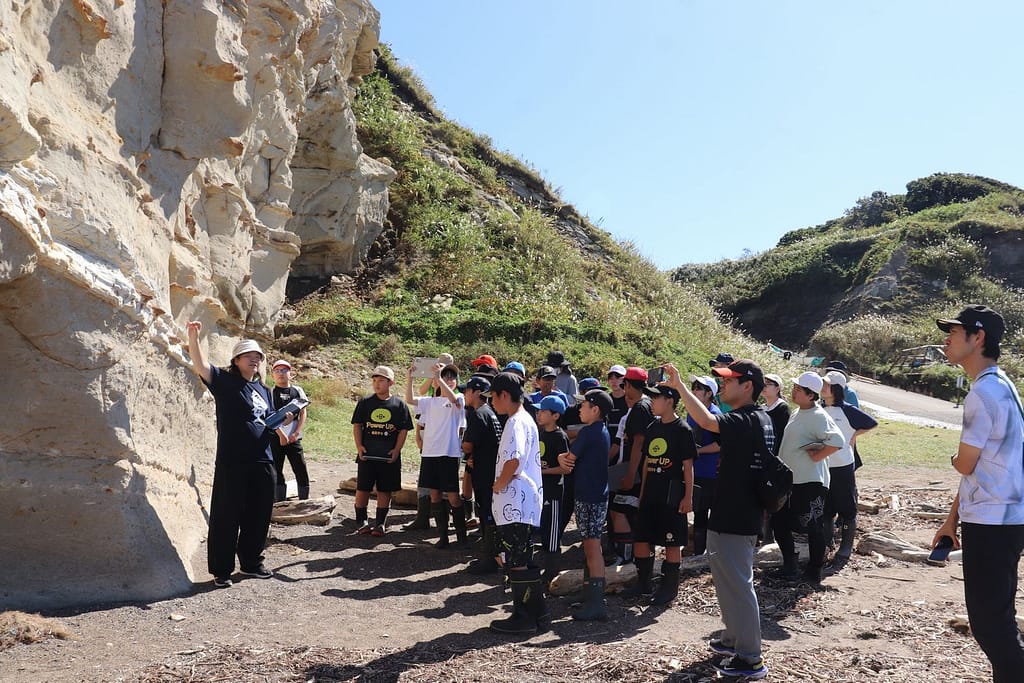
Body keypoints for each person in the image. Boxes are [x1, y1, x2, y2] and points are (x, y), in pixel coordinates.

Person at [932, 305, 1024, 683]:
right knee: (997, 621)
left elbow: (966, 463)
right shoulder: (1002, 385)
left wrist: (954, 458)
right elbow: (981, 469)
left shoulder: (983, 393)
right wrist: (951, 520)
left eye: (954, 332)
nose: (947, 340)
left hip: (991, 523)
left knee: (991, 627)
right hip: (1001, 518)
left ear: (978, 337)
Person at [665, 359, 770, 680]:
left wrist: (679, 386)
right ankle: (733, 639)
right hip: (734, 512)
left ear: (747, 386)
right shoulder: (757, 418)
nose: (723, 384)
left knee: (738, 586)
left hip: (737, 515)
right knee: (728, 583)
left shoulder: (745, 419)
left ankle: (750, 658)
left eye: (729, 380)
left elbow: (707, 421)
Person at [186, 321, 278, 588]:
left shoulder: (264, 390)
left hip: (264, 459)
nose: (255, 360)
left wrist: (284, 418)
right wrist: (194, 337)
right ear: (236, 360)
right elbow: (201, 366)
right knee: (227, 514)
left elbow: (267, 420)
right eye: (249, 356)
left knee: (259, 515)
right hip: (233, 460)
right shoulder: (226, 382)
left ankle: (251, 563)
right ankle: (222, 569)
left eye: (258, 356)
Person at [486, 372, 546, 634]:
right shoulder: (526, 419)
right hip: (523, 503)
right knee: (523, 557)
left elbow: (514, 459)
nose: (492, 402)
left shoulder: (515, 422)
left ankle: (524, 617)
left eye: (493, 397)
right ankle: (538, 612)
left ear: (504, 395)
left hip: (516, 503)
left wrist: (499, 483)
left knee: (516, 560)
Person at [625, 384, 695, 606]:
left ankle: (669, 588)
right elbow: (647, 462)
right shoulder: (652, 427)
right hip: (650, 495)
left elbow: (688, 466)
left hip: (671, 497)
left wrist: (688, 497)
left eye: (656, 398)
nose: (652, 402)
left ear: (670, 401)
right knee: (641, 539)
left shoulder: (682, 429)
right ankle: (643, 583)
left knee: (672, 543)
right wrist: (642, 494)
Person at [771, 372, 844, 582]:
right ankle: (790, 565)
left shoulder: (819, 416)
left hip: (810, 481)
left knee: (813, 526)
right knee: (779, 522)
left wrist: (818, 456)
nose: (794, 391)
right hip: (790, 479)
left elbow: (838, 441)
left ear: (811, 395)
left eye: (798, 389)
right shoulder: (797, 412)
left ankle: (814, 571)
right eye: (794, 387)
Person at [558, 389, 614, 621]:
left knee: (592, 548)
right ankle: (588, 592)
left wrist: (560, 457)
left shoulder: (589, 432)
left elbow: (567, 462)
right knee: (591, 546)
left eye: (583, 405)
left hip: (589, 496)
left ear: (595, 409)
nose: (579, 409)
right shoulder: (601, 430)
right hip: (596, 494)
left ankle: (596, 603)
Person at [405, 362, 468, 548]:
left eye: (452, 377)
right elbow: (410, 399)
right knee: (434, 494)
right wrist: (410, 378)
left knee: (453, 495)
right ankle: (443, 536)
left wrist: (439, 379)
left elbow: (454, 400)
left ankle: (462, 537)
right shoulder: (429, 402)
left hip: (449, 454)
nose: (449, 379)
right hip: (430, 454)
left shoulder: (459, 398)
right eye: (444, 376)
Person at [821, 370, 877, 568]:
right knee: (825, 508)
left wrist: (854, 434)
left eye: (826, 384)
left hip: (843, 466)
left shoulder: (848, 410)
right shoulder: (819, 408)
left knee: (847, 508)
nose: (822, 387)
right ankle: (826, 544)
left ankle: (845, 548)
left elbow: (872, 423)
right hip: (822, 466)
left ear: (836, 389)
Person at [351, 366, 412, 536]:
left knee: (385, 490)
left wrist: (397, 450)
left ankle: (379, 524)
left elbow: (403, 430)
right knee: (362, 488)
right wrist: (359, 446)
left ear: (390, 383)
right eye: (374, 380)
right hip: (368, 454)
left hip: (388, 456)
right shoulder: (365, 402)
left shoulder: (399, 405)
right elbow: (357, 425)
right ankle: (362, 522)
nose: (377, 384)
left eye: (381, 381)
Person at [609, 366, 653, 566]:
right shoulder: (649, 404)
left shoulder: (639, 408)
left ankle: (626, 557)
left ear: (627, 384)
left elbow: (639, 443)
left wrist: (630, 474)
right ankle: (636, 555)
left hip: (637, 472)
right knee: (630, 511)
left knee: (619, 510)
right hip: (645, 470)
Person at [463, 375, 503, 574]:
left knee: (487, 515)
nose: (464, 394)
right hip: (491, 470)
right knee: (489, 514)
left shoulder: (478, 414)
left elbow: (468, 444)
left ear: (476, 392)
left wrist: (467, 452)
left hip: (485, 473)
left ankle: (490, 560)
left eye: (467, 390)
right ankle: (491, 557)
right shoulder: (490, 412)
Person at [535, 395, 570, 586]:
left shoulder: (559, 437)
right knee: (543, 529)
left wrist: (543, 471)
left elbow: (566, 468)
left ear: (555, 416)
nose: (539, 414)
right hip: (540, 490)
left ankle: (553, 573)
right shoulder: (540, 433)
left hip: (553, 491)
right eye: (538, 411)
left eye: (543, 411)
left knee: (553, 531)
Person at [688, 375, 722, 555]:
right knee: (698, 512)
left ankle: (711, 553)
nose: (694, 391)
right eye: (693, 387)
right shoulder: (692, 411)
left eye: (698, 388)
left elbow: (720, 444)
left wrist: (698, 451)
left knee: (710, 512)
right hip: (695, 470)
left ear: (709, 393)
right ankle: (698, 552)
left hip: (710, 472)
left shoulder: (715, 414)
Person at [269, 360, 310, 502]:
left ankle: (304, 501)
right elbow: (269, 416)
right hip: (275, 436)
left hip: (294, 436)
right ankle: (279, 502)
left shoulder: (297, 391)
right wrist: (281, 435)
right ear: (272, 375)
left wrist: (296, 433)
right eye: (277, 370)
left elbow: (303, 412)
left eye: (284, 370)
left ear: (290, 373)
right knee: (276, 469)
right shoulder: (270, 392)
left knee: (300, 467)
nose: (281, 373)